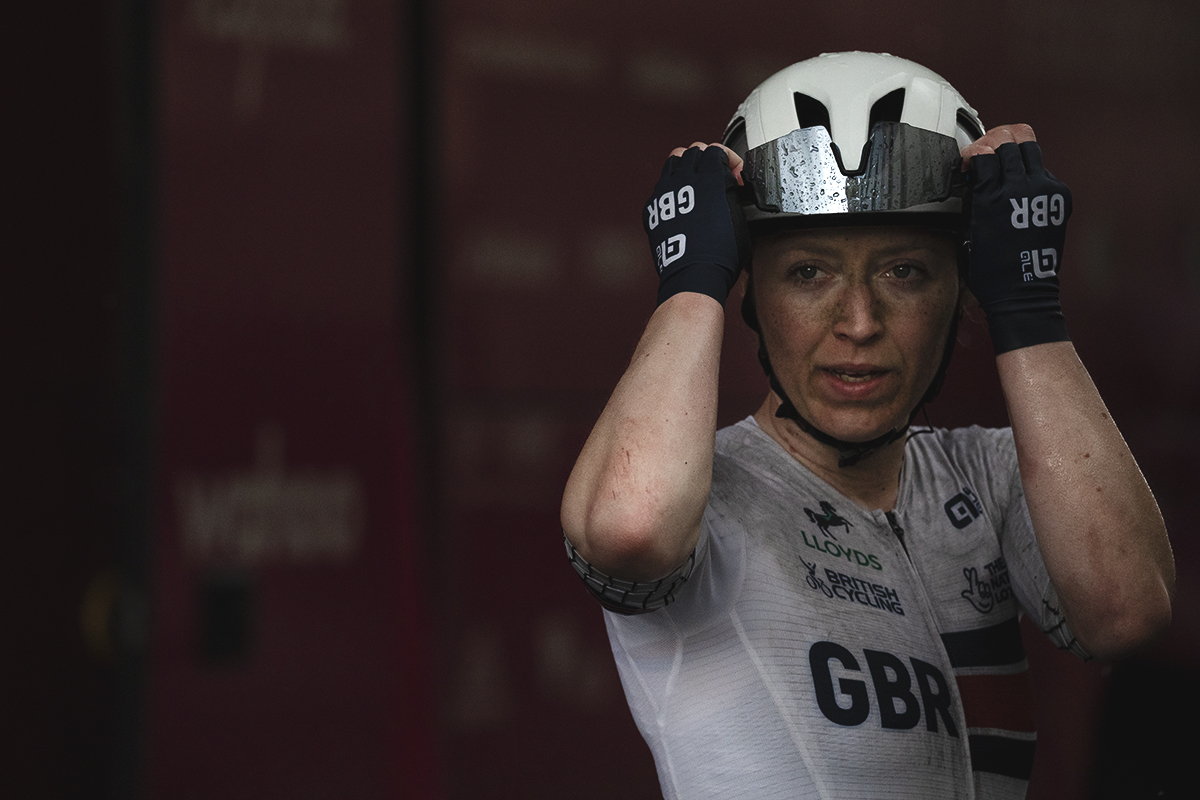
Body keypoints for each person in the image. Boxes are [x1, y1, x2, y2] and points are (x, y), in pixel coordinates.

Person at [560, 52, 1175, 799]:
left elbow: (1125, 610)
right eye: (808, 273)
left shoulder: (987, 477)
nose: (858, 322)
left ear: (960, 292)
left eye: (905, 272)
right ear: (751, 295)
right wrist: (692, 285)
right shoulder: (704, 499)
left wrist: (1029, 311)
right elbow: (629, 528)